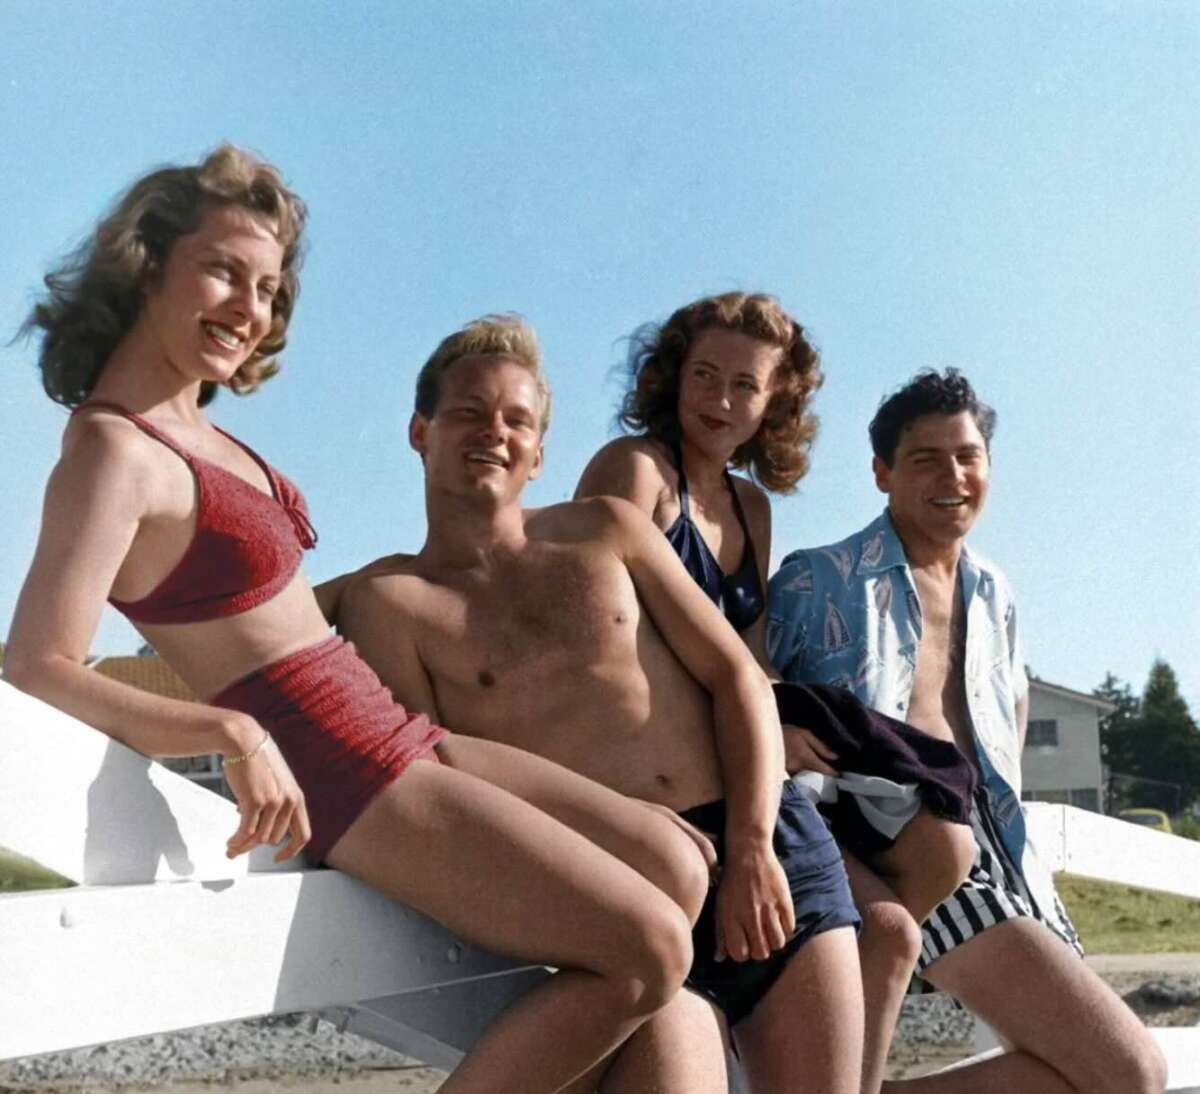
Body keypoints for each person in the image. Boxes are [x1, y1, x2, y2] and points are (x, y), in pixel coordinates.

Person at [3, 146, 717, 1094]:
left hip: (398, 733)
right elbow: (36, 663)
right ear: (147, 265)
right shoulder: (111, 449)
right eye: (222, 270)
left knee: (676, 861)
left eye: (266, 288)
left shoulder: (201, 429)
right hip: (341, 771)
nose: (247, 308)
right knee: (650, 950)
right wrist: (223, 728)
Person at [323, 315, 867, 1094]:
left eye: (517, 420)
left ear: (541, 453)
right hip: (613, 894)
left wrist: (751, 848)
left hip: (762, 848)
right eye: (468, 413)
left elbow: (737, 677)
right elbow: (436, 774)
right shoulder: (389, 602)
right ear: (421, 430)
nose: (494, 434)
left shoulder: (606, 529)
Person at [576, 292, 975, 1093]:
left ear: (776, 401)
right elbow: (607, 654)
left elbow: (748, 663)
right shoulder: (634, 473)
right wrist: (746, 723)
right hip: (664, 794)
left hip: (755, 784)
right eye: (705, 376)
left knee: (898, 915)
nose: (722, 402)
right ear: (670, 377)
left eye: (747, 387)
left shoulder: (752, 509)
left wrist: (774, 724)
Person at [767, 369, 1167, 1094]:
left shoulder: (995, 593)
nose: (952, 475)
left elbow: (1003, 730)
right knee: (1129, 1071)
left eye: (968, 456)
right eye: (925, 458)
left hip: (1003, 850)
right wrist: (776, 728)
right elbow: (734, 686)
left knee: (1093, 1074)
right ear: (882, 472)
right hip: (901, 840)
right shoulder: (817, 578)